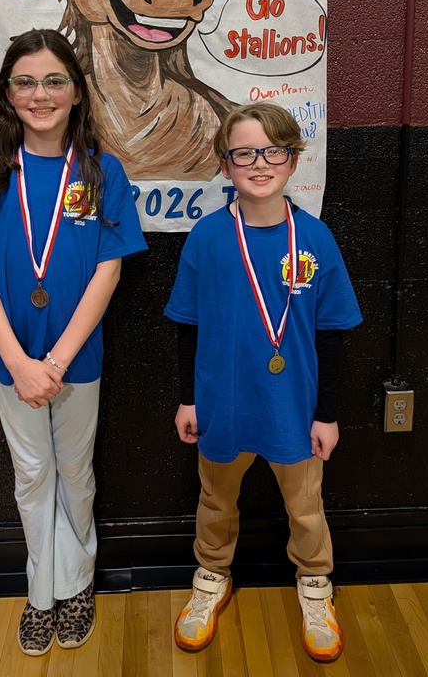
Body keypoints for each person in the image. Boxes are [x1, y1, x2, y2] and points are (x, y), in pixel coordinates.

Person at [0, 28, 147, 656]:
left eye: (55, 80)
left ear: (77, 92)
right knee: (31, 475)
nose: (40, 94)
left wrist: (54, 361)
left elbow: (109, 270)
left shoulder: (102, 172)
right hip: (12, 362)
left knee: (75, 471)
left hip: (75, 360)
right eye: (25, 82)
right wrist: (19, 363)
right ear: (7, 94)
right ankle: (41, 593)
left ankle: (76, 584)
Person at [165, 103, 362, 663]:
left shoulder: (315, 239)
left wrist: (327, 413)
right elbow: (187, 327)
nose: (259, 163)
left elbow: (331, 335)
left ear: (293, 161)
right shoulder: (206, 238)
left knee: (306, 507)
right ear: (225, 165)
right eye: (244, 153)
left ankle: (315, 584)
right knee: (215, 500)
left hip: (293, 408)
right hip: (222, 406)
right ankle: (212, 576)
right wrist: (188, 400)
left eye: (273, 151)